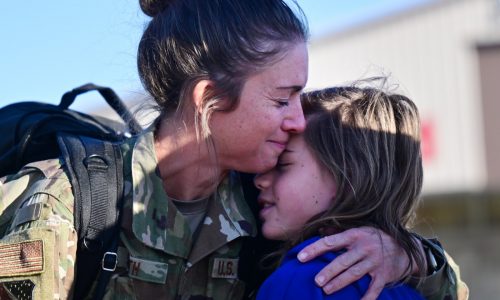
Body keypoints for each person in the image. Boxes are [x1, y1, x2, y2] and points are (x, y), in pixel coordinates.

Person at [0, 1, 462, 299]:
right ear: (208, 100)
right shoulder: (72, 206)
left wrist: (405, 255)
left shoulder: (267, 208)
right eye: (281, 99)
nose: (298, 120)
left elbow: (452, 292)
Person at [254, 85, 467, 299]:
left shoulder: (298, 283)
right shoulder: (409, 288)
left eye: (283, 164)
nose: (259, 179)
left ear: (346, 181)